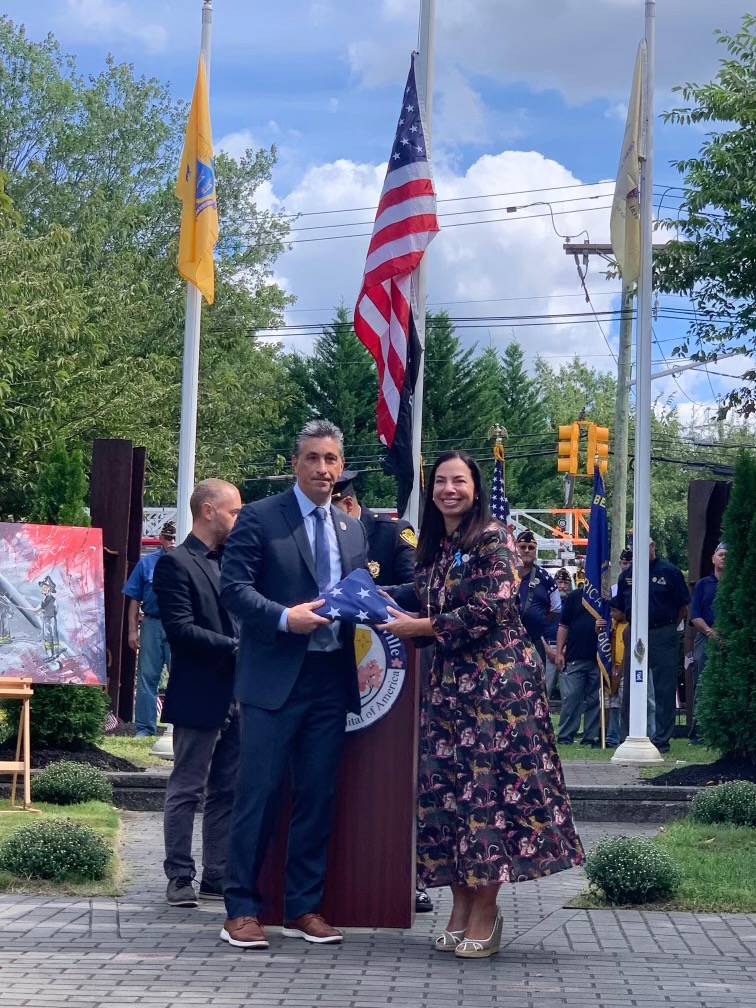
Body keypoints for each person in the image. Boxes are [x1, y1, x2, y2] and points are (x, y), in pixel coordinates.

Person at [377, 450, 584, 960]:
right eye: (441, 481)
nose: (449, 489)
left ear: (475, 488)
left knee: (486, 796)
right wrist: (367, 594)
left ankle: (485, 912)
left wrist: (419, 627)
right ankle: (459, 904)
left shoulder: (496, 538)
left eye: (459, 480)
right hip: (449, 689)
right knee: (448, 796)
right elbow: (425, 595)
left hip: (497, 691)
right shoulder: (436, 546)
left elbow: (489, 608)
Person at [218, 419, 368, 950]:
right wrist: (285, 618)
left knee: (317, 796)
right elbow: (233, 589)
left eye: (331, 459)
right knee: (258, 794)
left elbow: (358, 593)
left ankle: (303, 907)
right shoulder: (259, 518)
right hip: (273, 681)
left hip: (331, 681)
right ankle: (240, 909)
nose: (323, 469)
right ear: (294, 463)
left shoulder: (352, 529)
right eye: (313, 458)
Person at [332, 470, 433, 915]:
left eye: (334, 510)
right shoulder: (317, 534)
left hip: (397, 676)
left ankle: (411, 878)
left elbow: (420, 590)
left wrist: (362, 595)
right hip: (334, 673)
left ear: (350, 505)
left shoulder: (394, 534)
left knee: (402, 779)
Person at [152, 479, 243, 909]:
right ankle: (179, 876)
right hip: (200, 691)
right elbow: (181, 631)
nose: (237, 518)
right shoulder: (176, 563)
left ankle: (217, 875)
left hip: (241, 692)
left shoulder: (236, 562)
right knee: (188, 786)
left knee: (228, 788)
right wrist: (236, 648)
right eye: (233, 511)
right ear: (208, 510)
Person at [616, 540, 690, 752]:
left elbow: (683, 607)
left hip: (661, 631)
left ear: (653, 546)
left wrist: (667, 628)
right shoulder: (627, 576)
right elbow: (620, 607)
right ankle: (627, 736)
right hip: (635, 630)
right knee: (631, 685)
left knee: (664, 688)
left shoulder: (669, 571)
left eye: (643, 546)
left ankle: (661, 739)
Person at [123, 520, 176, 736]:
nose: (172, 542)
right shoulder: (147, 563)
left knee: (181, 676)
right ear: (161, 539)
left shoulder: (189, 561)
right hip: (152, 622)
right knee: (147, 676)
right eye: (168, 537)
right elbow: (134, 598)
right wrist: (132, 630)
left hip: (178, 625)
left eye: (175, 537)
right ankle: (145, 727)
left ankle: (179, 726)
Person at [688, 542, 727, 744]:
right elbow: (695, 616)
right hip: (706, 636)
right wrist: (711, 633)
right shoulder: (703, 584)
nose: (724, 558)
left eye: (728, 555)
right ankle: (699, 732)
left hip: (730, 637)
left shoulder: (737, 583)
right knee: (702, 683)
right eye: (721, 554)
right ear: (713, 558)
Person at [554, 584, 601, 747]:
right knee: (571, 698)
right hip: (575, 655)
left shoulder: (607, 597)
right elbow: (563, 625)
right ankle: (565, 735)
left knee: (595, 700)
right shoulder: (575, 597)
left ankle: (591, 736)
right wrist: (559, 652)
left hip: (599, 658)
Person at [515, 530, 561, 664]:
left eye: (531, 547)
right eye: (523, 547)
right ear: (515, 548)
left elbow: (556, 608)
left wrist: (538, 620)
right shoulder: (504, 572)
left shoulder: (545, 578)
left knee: (537, 681)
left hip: (534, 641)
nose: (527, 550)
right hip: (507, 639)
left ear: (536, 550)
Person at [542, 568, 572, 699]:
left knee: (568, 693)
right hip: (547, 648)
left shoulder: (573, 603)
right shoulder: (546, 603)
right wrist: (547, 649)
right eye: (560, 582)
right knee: (544, 690)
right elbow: (537, 628)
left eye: (566, 583)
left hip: (567, 650)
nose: (562, 586)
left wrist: (564, 649)